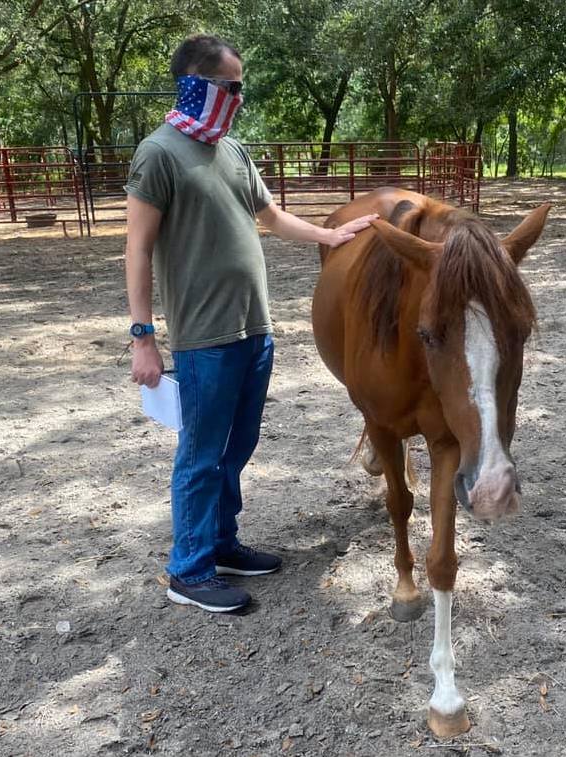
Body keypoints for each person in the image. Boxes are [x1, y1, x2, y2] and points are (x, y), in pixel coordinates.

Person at [124, 33, 376, 614]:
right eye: (230, 86)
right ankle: (188, 570)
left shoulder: (230, 150)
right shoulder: (158, 153)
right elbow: (137, 249)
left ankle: (221, 543)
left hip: (252, 331)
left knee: (236, 446)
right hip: (204, 338)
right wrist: (143, 337)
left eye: (240, 88)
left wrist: (330, 235)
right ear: (197, 83)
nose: (238, 97)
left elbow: (270, 216)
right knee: (201, 452)